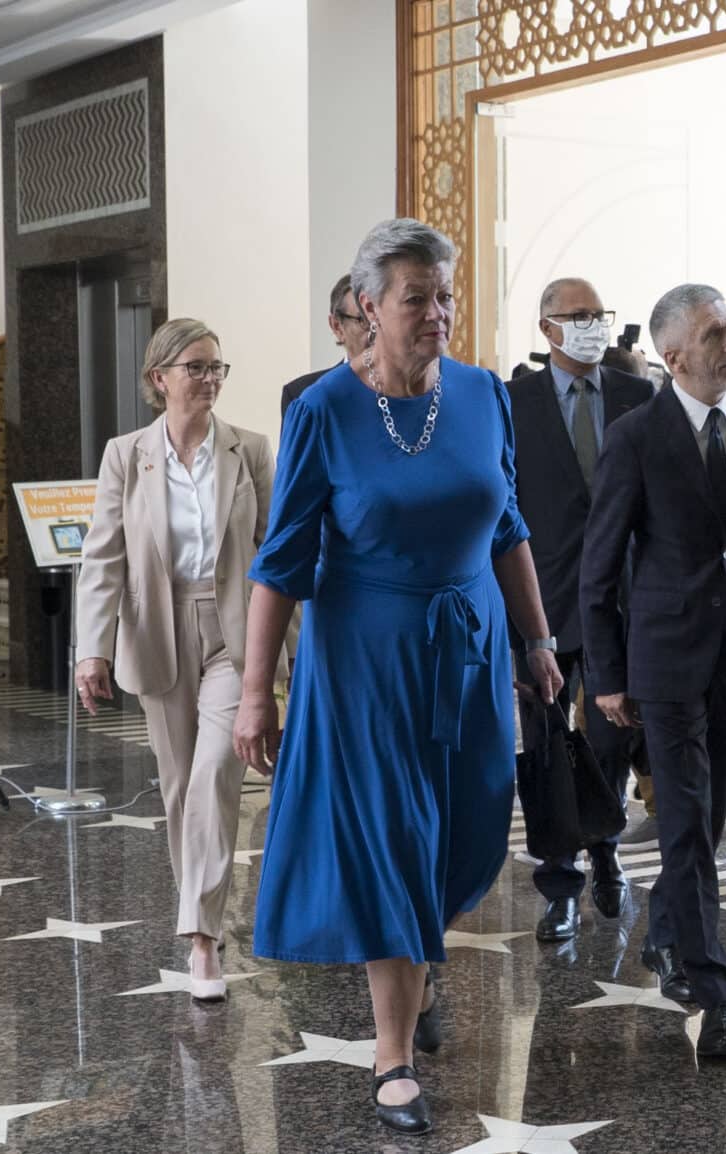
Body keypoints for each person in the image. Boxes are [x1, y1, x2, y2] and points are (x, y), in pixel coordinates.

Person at [232, 218, 561, 1136]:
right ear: (367, 307)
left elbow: (508, 529)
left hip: (470, 649)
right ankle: (392, 1055)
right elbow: (283, 561)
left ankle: (417, 965)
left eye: (447, 295)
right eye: (418, 297)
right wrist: (259, 692)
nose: (438, 312)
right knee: (394, 840)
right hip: (366, 656)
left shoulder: (485, 394)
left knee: (462, 833)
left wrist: (537, 642)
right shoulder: (324, 412)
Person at [579, 283, 726, 1060]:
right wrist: (607, 673)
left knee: (706, 820)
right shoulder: (636, 435)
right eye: (716, 334)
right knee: (683, 818)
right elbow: (600, 562)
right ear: (674, 355)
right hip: (666, 657)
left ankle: (668, 931)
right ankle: (714, 995)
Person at [73, 318, 275, 1003]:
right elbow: (101, 558)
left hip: (233, 630)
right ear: (160, 379)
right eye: (197, 367)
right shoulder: (126, 455)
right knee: (179, 783)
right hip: (158, 628)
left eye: (218, 367)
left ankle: (201, 938)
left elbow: (273, 553)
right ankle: (200, 922)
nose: (210, 378)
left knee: (217, 769)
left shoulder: (249, 450)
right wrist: (90, 650)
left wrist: (289, 650)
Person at [509, 276, 652, 942]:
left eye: (600, 314)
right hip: (543, 597)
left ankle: (607, 853)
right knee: (545, 744)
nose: (592, 324)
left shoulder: (637, 397)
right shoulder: (513, 403)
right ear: (548, 328)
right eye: (578, 315)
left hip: (623, 598)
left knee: (610, 737)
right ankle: (558, 882)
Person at [280, 274, 371, 417]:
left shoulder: (414, 392)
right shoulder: (301, 395)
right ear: (337, 326)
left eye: (381, 319)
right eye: (363, 320)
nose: (376, 330)